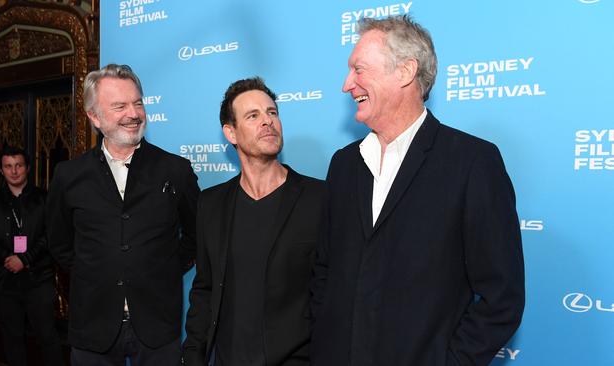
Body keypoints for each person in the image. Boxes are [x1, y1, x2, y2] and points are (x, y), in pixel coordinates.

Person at [310, 15, 525, 366]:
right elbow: (324, 272)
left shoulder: (472, 162)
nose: (347, 84)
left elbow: (502, 298)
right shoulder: (345, 164)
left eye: (359, 70)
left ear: (405, 72)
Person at [46, 64, 200, 365]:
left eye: (138, 103)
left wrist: (164, 268)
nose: (133, 114)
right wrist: (97, 272)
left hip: (157, 325)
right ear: (94, 117)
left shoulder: (174, 170)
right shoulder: (69, 175)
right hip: (92, 326)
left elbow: (197, 234)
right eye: (119, 106)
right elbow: (59, 242)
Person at [182, 77, 324, 366]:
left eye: (272, 113)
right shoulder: (211, 204)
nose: (267, 121)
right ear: (231, 133)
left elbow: (332, 291)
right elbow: (205, 290)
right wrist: (192, 356)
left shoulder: (319, 198)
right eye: (253, 115)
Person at [0, 146, 63, 366]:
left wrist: (24, 259)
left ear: (27, 168)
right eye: (8, 166)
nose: (14, 171)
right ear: (1, 170)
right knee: (12, 338)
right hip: (3, 282)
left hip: (38, 280)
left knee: (48, 337)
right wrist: (9, 258)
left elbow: (51, 235)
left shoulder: (45, 199)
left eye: (18, 166)